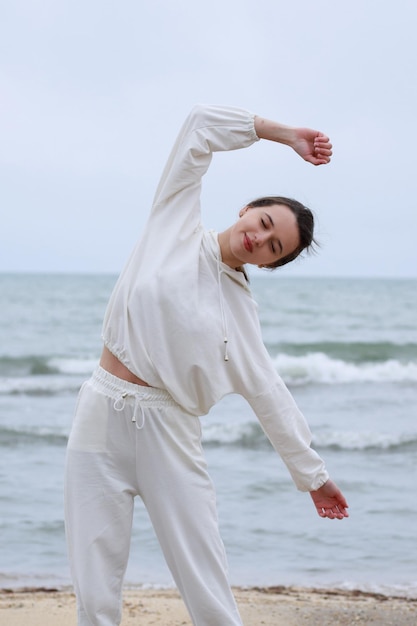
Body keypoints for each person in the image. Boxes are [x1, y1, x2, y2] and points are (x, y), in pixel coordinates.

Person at [64, 104, 349, 626]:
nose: (260, 239)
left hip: (169, 432)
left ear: (272, 264)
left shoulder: (241, 314)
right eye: (263, 222)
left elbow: (270, 397)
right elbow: (199, 126)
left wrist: (313, 476)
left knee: (206, 580)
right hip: (100, 409)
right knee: (94, 583)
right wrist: (284, 135)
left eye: (274, 247)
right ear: (246, 209)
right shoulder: (173, 220)